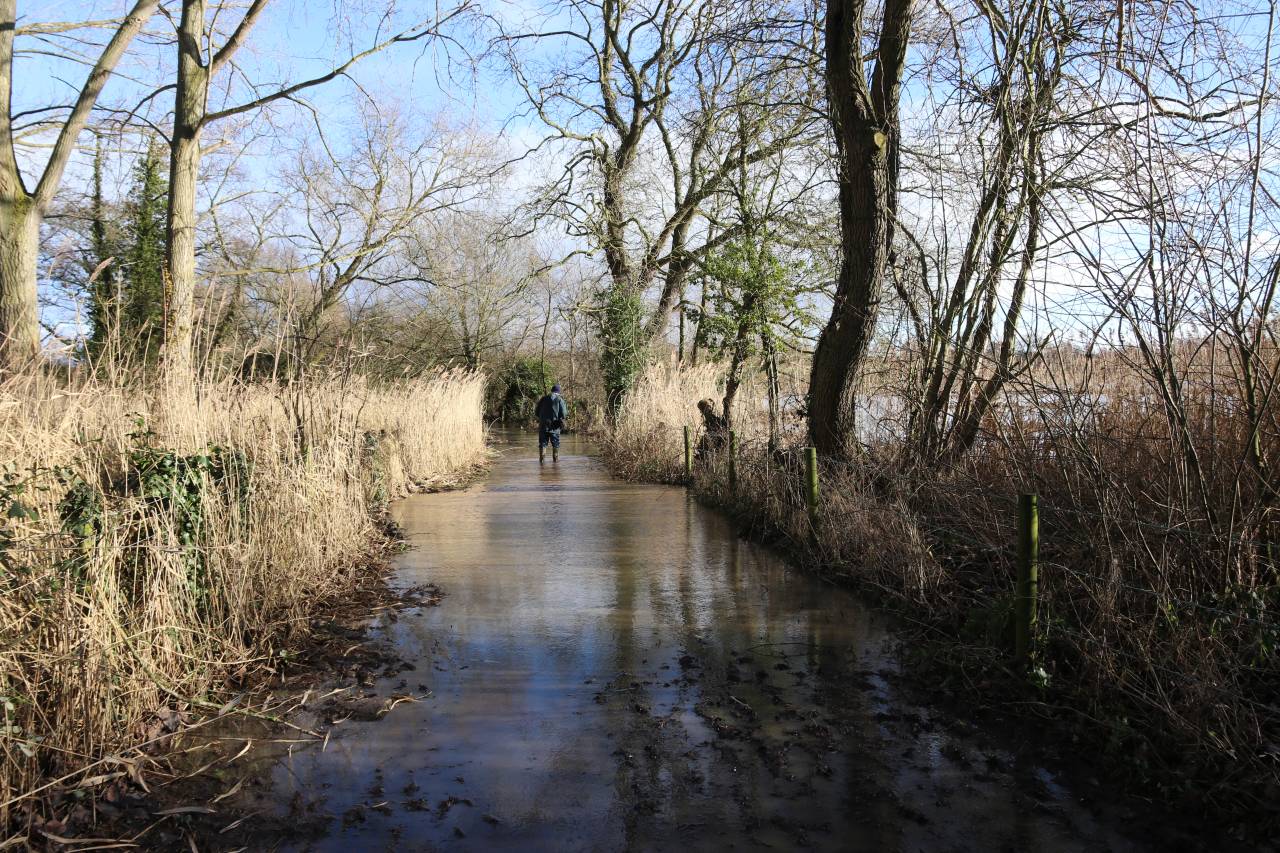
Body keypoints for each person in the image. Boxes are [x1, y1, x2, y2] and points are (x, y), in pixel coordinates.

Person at [534, 384, 568, 463]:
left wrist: (543, 418)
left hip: (543, 426)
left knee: (543, 444)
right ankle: (555, 462)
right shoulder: (560, 399)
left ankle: (541, 462)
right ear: (558, 392)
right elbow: (564, 413)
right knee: (555, 444)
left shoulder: (543, 398)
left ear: (552, 390)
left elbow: (536, 412)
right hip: (555, 427)